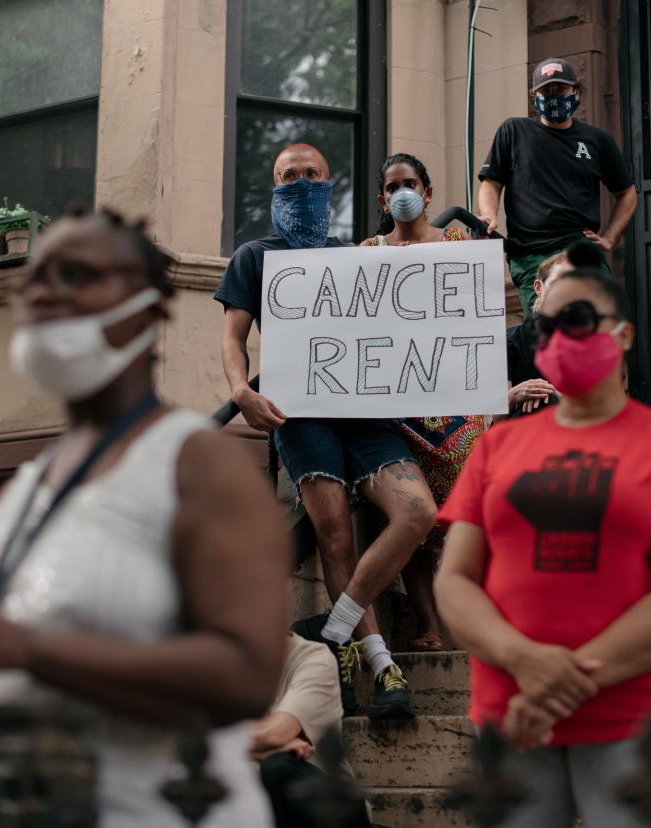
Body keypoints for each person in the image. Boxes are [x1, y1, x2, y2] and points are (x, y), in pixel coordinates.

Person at [0, 208, 290, 827]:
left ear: (145, 309)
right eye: (37, 276)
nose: (44, 291)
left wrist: (28, 648)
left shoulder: (198, 463)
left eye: (76, 273)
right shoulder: (27, 490)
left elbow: (247, 678)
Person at [434, 267, 651, 828]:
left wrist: (556, 684)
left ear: (624, 334)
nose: (560, 337)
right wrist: (522, 658)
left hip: (627, 717)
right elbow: (454, 580)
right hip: (509, 714)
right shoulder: (496, 447)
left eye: (577, 319)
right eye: (546, 327)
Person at [215, 143, 434, 719]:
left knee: (417, 512)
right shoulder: (254, 255)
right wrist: (242, 391)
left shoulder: (353, 256)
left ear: (330, 182)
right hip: (300, 415)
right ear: (274, 186)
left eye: (312, 175)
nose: (301, 184)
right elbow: (232, 338)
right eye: (289, 176)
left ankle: (333, 630)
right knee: (334, 532)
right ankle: (384, 666)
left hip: (366, 415)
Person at [359, 153, 483, 652]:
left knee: (466, 515)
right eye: (393, 186)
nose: (402, 192)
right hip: (398, 405)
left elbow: (477, 316)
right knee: (410, 522)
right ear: (382, 199)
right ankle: (428, 623)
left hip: (456, 401)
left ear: (428, 192)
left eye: (411, 183)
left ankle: (469, 621)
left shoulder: (459, 244)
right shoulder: (367, 252)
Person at [477, 57, 637, 316]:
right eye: (546, 91)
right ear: (534, 96)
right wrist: (489, 215)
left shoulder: (598, 141)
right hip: (531, 255)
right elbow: (491, 183)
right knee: (546, 328)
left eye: (560, 90)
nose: (553, 97)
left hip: (582, 251)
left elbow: (627, 192)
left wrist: (610, 237)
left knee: (597, 324)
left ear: (576, 91)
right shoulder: (513, 131)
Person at [252, 632, 370, 828]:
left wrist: (254, 745)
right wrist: (259, 745)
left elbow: (276, 734)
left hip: (326, 811)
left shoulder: (314, 659)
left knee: (277, 768)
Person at [504, 239, 607, 416]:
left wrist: (553, 396)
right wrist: (515, 395)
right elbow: (494, 420)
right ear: (538, 287)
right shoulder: (511, 341)